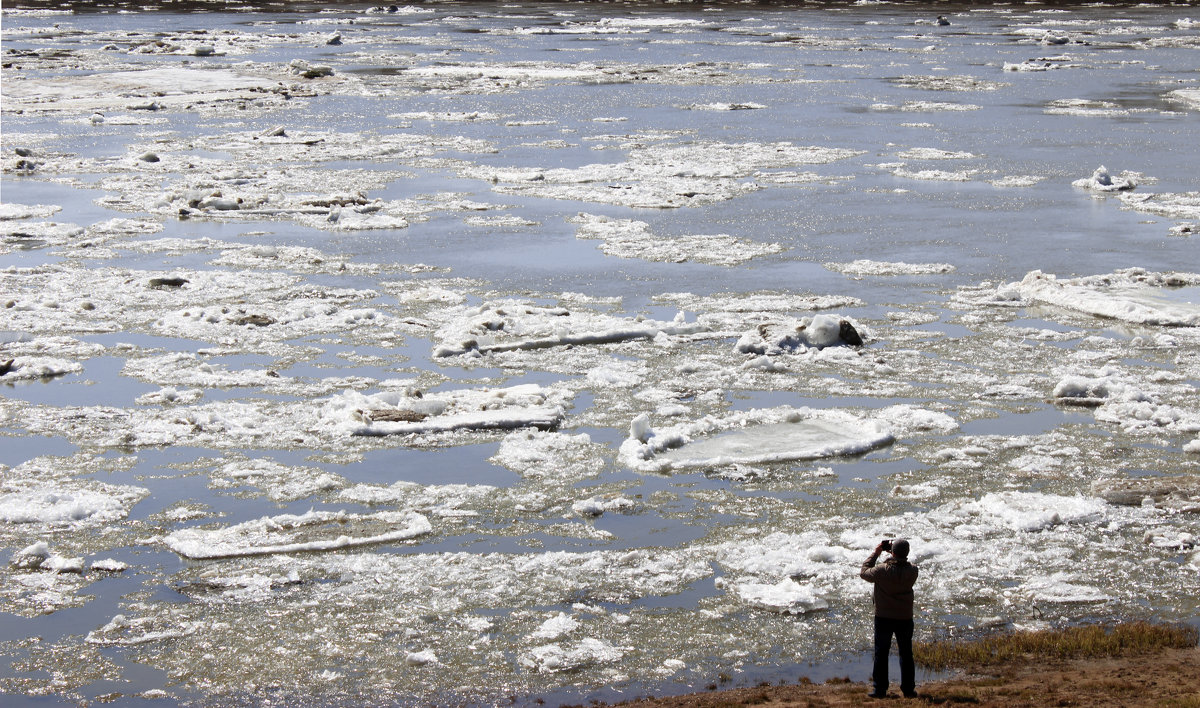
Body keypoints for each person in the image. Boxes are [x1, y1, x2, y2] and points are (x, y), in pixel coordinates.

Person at [860, 538, 919, 699]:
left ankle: (880, 689)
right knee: (906, 654)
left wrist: (877, 552)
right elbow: (902, 565)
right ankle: (908, 690)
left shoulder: (882, 570)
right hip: (905, 617)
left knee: (881, 653)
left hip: (884, 617)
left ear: (892, 552)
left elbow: (864, 572)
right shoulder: (913, 570)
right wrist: (894, 554)